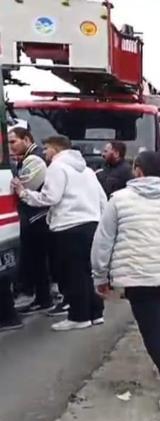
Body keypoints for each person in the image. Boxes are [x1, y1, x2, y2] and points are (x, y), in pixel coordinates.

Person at [92, 151, 160, 411]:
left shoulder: (118, 200)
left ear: (138, 170)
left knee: (154, 333)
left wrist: (100, 275)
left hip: (139, 277)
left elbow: (103, 241)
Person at [13, 135, 107, 331]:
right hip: (91, 224)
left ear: (55, 149)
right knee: (87, 272)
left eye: (46, 149)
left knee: (73, 274)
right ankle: (95, 313)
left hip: (68, 226)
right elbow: (101, 198)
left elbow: (50, 197)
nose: (45, 153)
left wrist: (23, 193)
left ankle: (78, 316)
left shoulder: (57, 167)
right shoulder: (86, 170)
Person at [8, 127, 54, 314]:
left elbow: (24, 185)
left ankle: (44, 299)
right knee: (36, 262)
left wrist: (16, 182)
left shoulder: (34, 159)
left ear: (26, 139)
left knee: (38, 261)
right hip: (35, 216)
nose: (10, 147)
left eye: (13, 142)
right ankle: (42, 298)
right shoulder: (28, 158)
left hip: (37, 217)